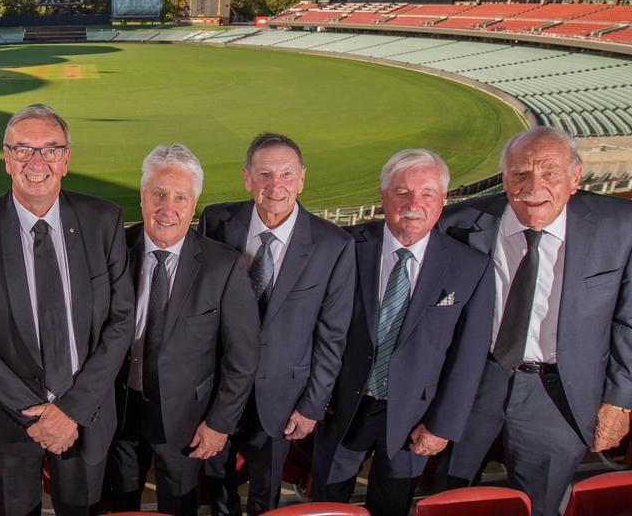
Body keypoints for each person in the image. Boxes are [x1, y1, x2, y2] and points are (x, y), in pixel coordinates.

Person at [440, 126, 632, 516]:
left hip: (559, 396)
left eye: (550, 172)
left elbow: (631, 321)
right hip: (473, 386)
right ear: (504, 179)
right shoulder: (458, 222)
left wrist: (619, 403)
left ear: (575, 178)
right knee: (453, 500)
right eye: (520, 173)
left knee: (541, 507)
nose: (533, 186)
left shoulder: (622, 223)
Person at [0, 103, 135, 516]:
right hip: (9, 421)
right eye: (22, 150)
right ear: (6, 159)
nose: (37, 162)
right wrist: (39, 417)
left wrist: (70, 411)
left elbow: (121, 324)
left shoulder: (103, 220)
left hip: (84, 415)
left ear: (66, 160)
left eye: (50, 150)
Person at [312, 150, 492, 516]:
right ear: (382, 195)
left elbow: (469, 357)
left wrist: (441, 425)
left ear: (443, 199)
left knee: (392, 506)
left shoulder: (470, 266)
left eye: (427, 193)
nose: (414, 204)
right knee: (327, 505)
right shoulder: (345, 246)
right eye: (402, 192)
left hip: (415, 417)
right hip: (343, 408)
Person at [199, 132, 355, 515]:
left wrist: (313, 405)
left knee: (265, 495)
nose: (276, 185)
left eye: (286, 174)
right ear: (247, 178)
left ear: (302, 179)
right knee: (216, 484)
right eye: (264, 174)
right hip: (217, 391)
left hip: (282, 400)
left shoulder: (333, 244)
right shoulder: (216, 221)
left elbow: (332, 336)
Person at [104, 145, 259, 516]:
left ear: (195, 204)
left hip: (186, 422)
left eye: (180, 197)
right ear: (142, 197)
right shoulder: (111, 252)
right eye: (158, 193)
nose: (167, 208)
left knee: (179, 505)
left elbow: (243, 356)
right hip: (117, 414)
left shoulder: (223, 266)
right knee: (118, 504)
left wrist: (219, 423)